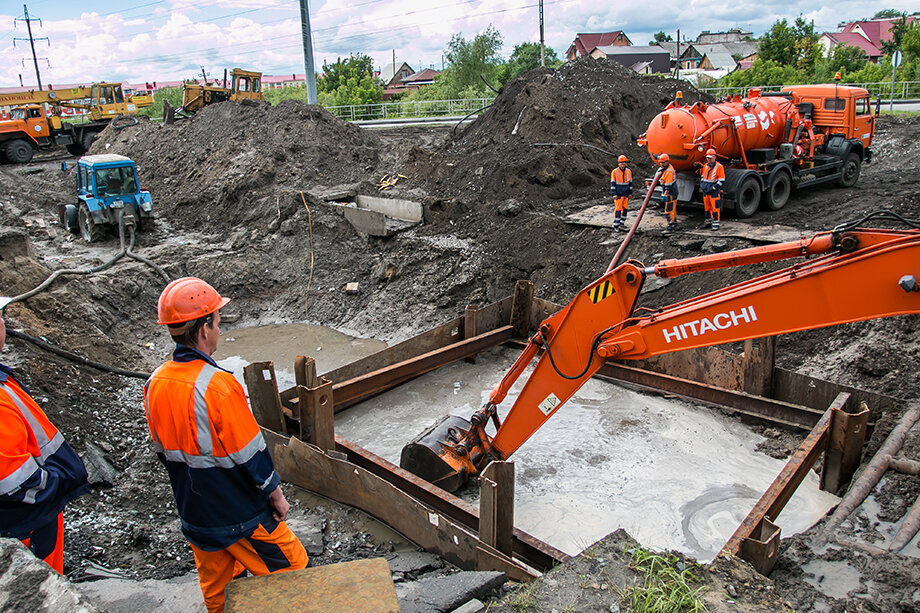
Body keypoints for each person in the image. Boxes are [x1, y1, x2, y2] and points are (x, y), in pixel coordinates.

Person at [144, 278, 307, 613]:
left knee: (221, 595)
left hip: (195, 514)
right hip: (239, 514)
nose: (218, 330)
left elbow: (164, 451)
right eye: (217, 322)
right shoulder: (218, 386)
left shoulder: (155, 382)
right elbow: (251, 454)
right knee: (294, 571)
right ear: (204, 329)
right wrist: (275, 495)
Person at [0, 296, 89, 573]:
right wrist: (55, 485)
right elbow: (13, 481)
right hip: (25, 525)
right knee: (42, 587)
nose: (4, 323)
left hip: (30, 518)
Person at [699, 148, 725, 231]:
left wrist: (714, 188)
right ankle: (708, 221)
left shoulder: (719, 167)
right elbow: (703, 177)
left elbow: (721, 180)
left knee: (715, 207)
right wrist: (702, 186)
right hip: (706, 190)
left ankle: (715, 224)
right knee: (707, 207)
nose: (708, 160)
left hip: (713, 191)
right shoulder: (705, 166)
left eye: (710, 158)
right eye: (707, 158)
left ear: (714, 157)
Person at [610, 154, 633, 232]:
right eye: (621, 163)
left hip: (625, 194)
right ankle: (616, 224)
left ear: (626, 163)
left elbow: (630, 183)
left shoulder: (628, 171)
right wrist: (614, 194)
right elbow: (613, 184)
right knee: (618, 210)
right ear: (618, 163)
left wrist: (630, 193)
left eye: (623, 163)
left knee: (625, 209)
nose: (622, 165)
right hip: (619, 194)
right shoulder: (615, 172)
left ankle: (622, 222)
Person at [658, 154, 679, 235]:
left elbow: (668, 186)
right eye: (660, 162)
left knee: (669, 211)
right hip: (673, 193)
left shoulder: (669, 172)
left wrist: (664, 195)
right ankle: (674, 224)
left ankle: (671, 226)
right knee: (672, 210)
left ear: (667, 162)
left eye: (663, 162)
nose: (661, 164)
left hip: (670, 193)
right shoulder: (668, 168)